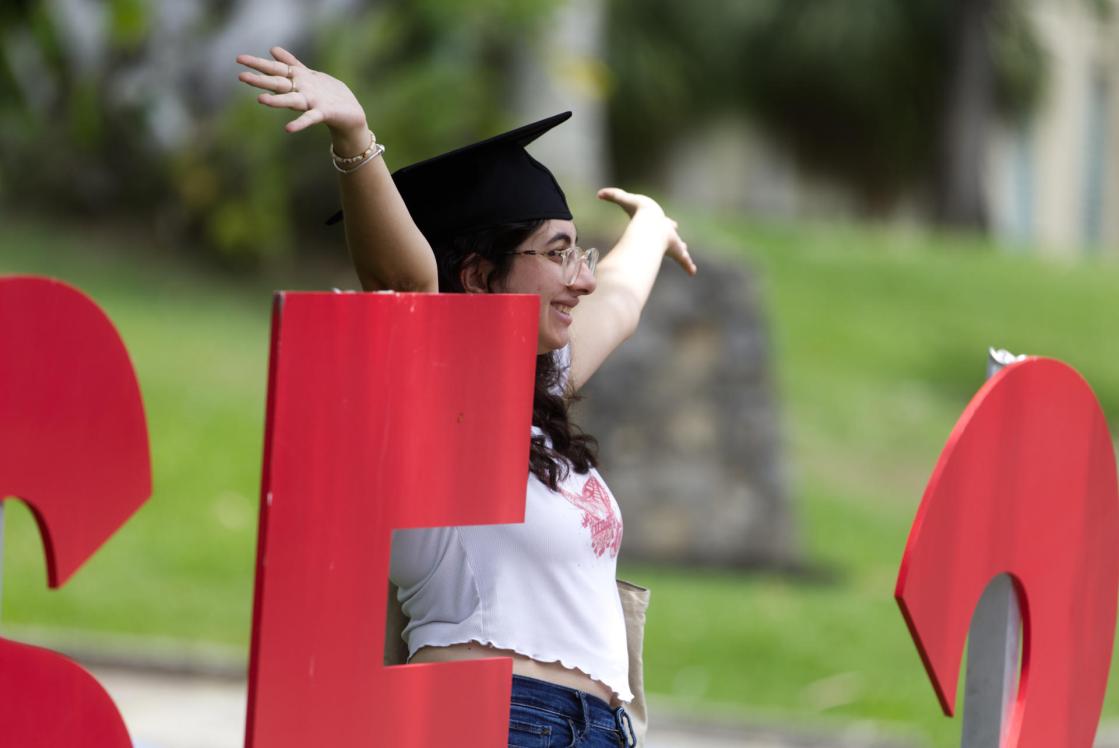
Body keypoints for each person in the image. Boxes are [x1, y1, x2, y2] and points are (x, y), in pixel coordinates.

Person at [237, 45, 695, 748]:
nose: (582, 279)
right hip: (492, 718)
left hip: (597, 728)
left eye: (582, 253)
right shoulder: (433, 396)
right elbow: (407, 280)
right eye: (559, 252)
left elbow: (622, 301)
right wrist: (355, 140)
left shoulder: (535, 395)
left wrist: (651, 225)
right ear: (481, 276)